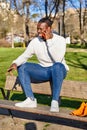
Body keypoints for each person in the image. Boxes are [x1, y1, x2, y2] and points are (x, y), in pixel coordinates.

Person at [8, 17, 69, 112]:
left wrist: (48, 40)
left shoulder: (60, 40)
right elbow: (25, 55)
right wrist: (15, 63)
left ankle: (55, 101)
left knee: (57, 66)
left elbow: (57, 59)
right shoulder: (35, 42)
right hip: (44, 71)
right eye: (38, 29)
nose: (39, 31)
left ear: (49, 29)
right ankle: (30, 100)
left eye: (41, 29)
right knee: (23, 66)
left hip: (59, 70)